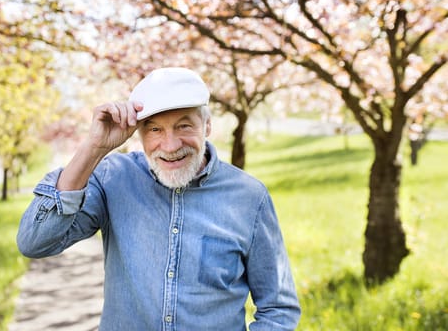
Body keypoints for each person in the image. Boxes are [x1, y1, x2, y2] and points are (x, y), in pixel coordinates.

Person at [17, 67, 301, 330]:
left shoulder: (249, 197)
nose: (170, 145)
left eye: (184, 126)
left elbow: (278, 307)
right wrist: (93, 148)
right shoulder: (113, 178)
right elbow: (36, 241)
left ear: (207, 126)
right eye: (155, 130)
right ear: (138, 134)